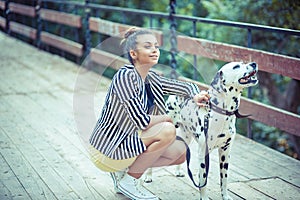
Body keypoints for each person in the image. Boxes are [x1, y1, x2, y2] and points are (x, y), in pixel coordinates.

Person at [89, 27, 209, 200]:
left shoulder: (151, 78)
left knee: (180, 153)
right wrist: (167, 118)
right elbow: (142, 121)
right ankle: (130, 182)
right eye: (147, 46)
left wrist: (196, 94)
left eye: (156, 46)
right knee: (167, 130)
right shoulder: (125, 77)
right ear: (134, 53)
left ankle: (124, 173)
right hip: (107, 148)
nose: (154, 50)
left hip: (127, 141)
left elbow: (183, 87)